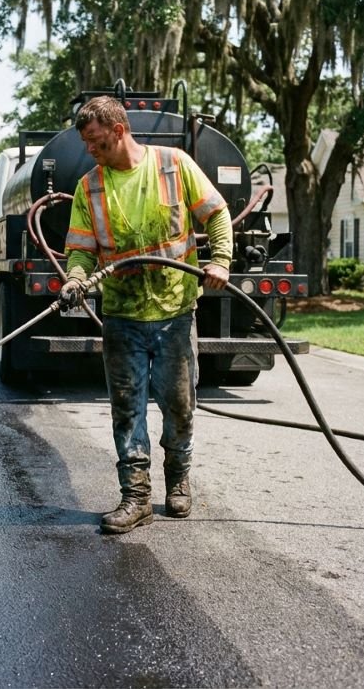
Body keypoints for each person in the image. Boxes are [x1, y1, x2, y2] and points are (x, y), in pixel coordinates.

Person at [60, 95, 233, 534]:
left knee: (180, 405)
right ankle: (135, 497)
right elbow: (79, 250)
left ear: (119, 131)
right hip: (122, 315)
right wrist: (75, 278)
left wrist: (221, 262)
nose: (90, 150)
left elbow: (217, 215)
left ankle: (178, 483)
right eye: (86, 143)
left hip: (175, 312)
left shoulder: (174, 165)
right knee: (127, 410)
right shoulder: (90, 187)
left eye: (96, 141)